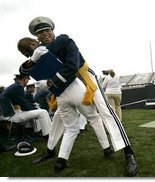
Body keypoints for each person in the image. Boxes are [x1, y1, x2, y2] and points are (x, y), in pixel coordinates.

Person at [18, 16, 137, 176]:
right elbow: (24, 72)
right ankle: (50, 150)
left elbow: (72, 65)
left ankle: (128, 153)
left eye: (47, 30)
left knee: (105, 111)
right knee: (58, 117)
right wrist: (33, 58)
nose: (45, 33)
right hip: (64, 87)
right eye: (40, 32)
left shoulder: (64, 40)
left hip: (83, 77)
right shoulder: (38, 51)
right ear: (36, 37)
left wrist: (50, 82)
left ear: (53, 31)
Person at [0, 74, 51, 139]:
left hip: (9, 114)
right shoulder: (17, 87)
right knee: (43, 112)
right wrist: (34, 108)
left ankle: (39, 132)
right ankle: (47, 136)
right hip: (12, 115)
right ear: (24, 79)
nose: (28, 82)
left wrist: (33, 108)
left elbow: (23, 103)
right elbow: (24, 105)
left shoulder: (15, 86)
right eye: (28, 80)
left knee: (39, 111)